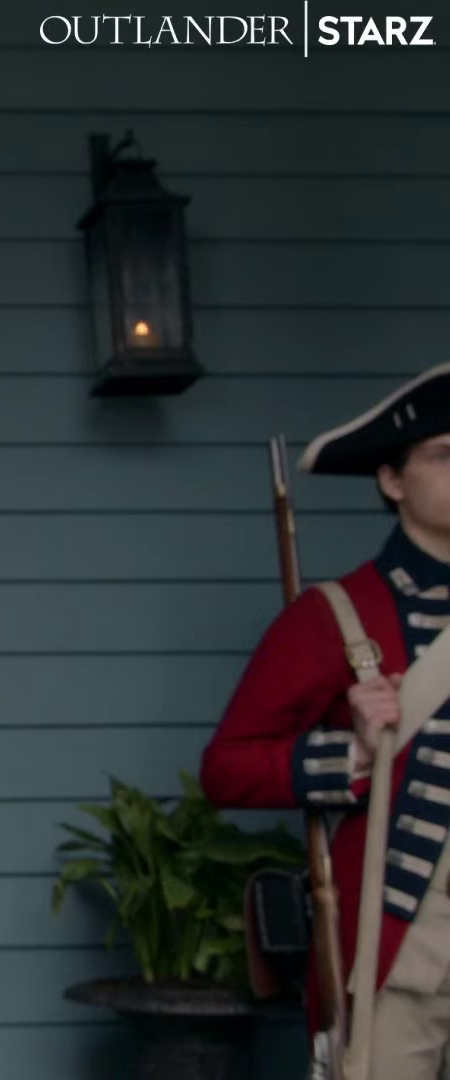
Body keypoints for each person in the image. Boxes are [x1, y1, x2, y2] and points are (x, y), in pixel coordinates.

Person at [203, 362, 450, 1080]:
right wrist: (354, 756)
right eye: (444, 455)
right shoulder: (334, 616)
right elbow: (227, 767)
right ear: (392, 481)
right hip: (405, 940)